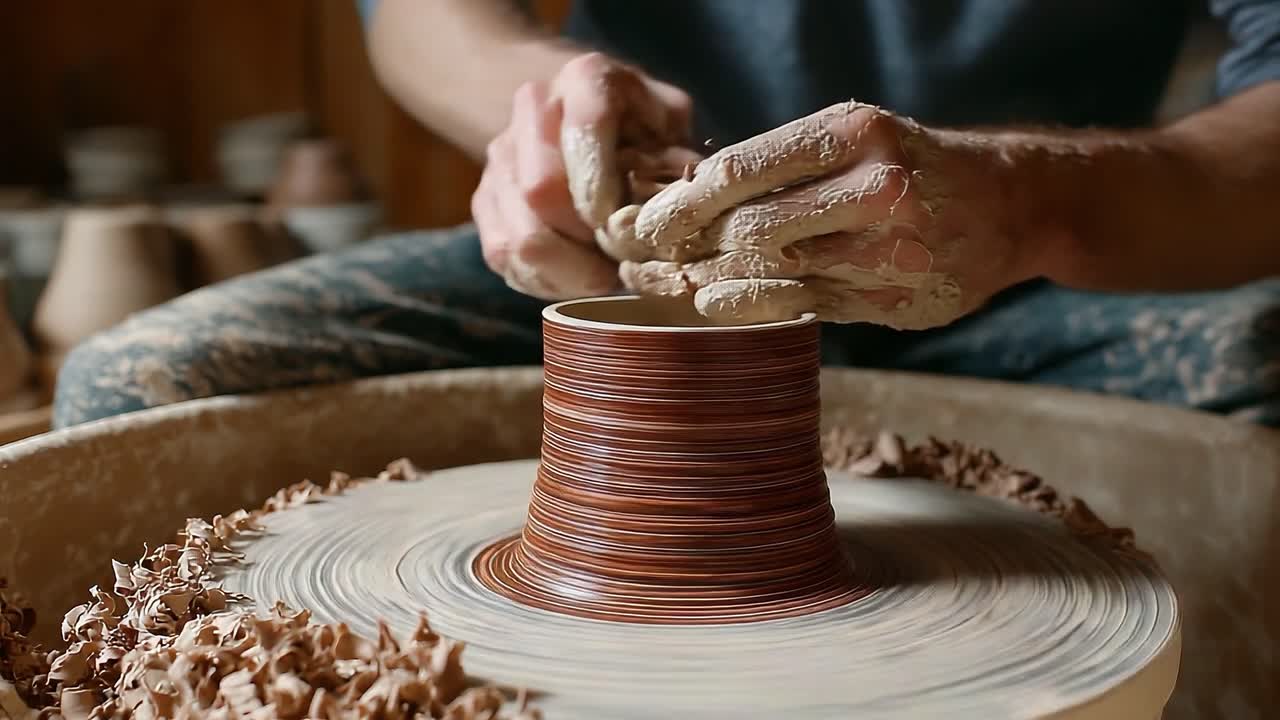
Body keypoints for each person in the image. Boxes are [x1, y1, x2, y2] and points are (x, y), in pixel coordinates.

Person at [53, 0, 1280, 428]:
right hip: (631, 265)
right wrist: (540, 107)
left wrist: (1033, 196)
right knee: (145, 389)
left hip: (1026, 271)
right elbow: (423, 13)